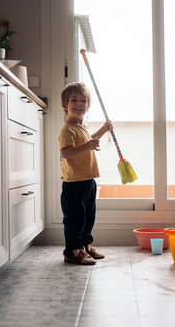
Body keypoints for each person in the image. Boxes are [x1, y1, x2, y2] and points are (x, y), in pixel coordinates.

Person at [58, 82, 113, 265]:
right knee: (75, 218)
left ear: (88, 106)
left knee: (88, 216)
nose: (79, 104)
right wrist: (88, 146)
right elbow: (66, 153)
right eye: (74, 100)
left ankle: (85, 246)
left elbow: (90, 142)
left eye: (83, 101)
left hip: (88, 180)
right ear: (65, 105)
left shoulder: (82, 127)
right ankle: (72, 250)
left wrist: (104, 130)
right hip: (74, 182)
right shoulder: (68, 129)